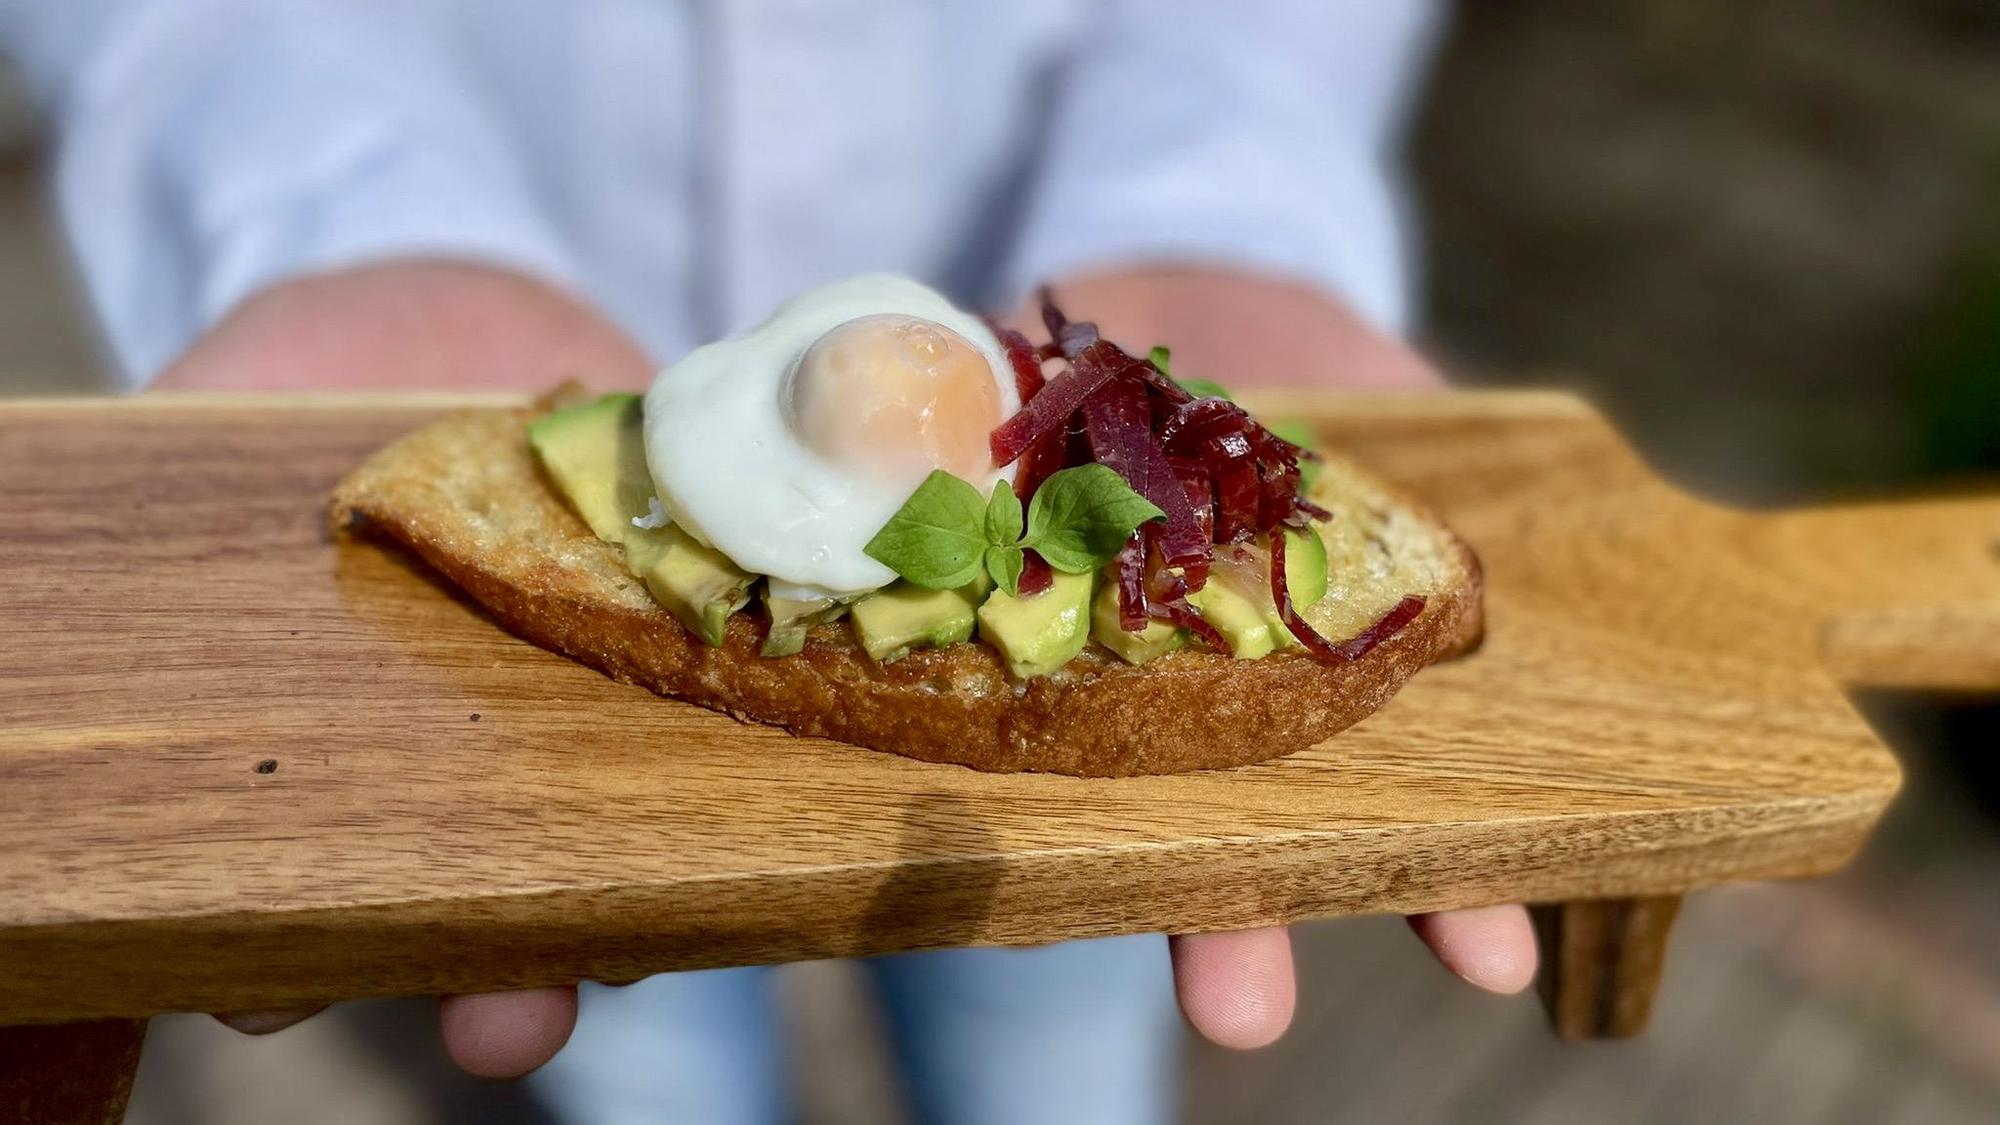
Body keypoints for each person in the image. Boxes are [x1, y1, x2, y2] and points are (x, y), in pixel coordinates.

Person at [1, 1, 1537, 1121]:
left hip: (1042, 352)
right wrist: (337, 210)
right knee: (639, 1041)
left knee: (1055, 1038)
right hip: (569, 716)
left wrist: (1220, 205)